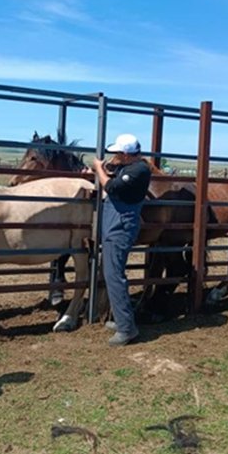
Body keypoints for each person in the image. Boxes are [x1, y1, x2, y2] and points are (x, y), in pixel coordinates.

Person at [89, 133, 151, 346]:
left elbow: (113, 187)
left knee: (114, 276)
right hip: (114, 225)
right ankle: (123, 320)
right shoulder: (130, 168)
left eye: (116, 153)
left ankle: (126, 329)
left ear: (126, 154)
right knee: (112, 274)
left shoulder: (139, 170)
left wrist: (98, 169)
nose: (113, 156)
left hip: (120, 227)